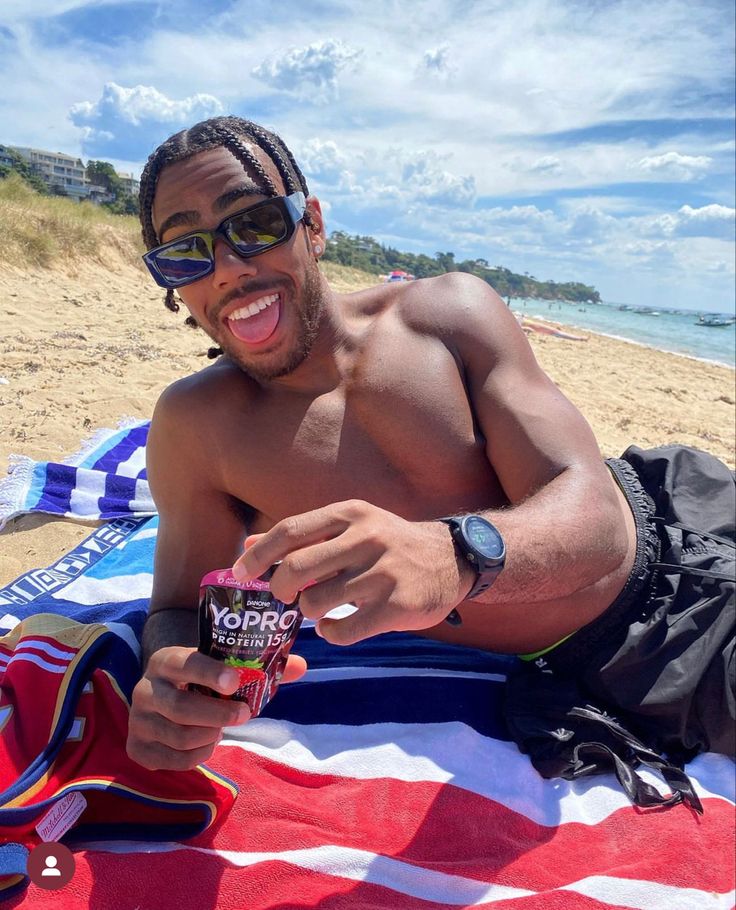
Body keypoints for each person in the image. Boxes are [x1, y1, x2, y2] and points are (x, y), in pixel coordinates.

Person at [126, 116, 734, 790]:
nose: (231, 267)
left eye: (257, 223)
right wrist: (176, 674)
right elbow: (177, 610)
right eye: (188, 252)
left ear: (314, 225)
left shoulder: (445, 316)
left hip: (676, 528)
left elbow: (597, 525)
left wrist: (454, 555)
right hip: (619, 652)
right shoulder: (198, 428)